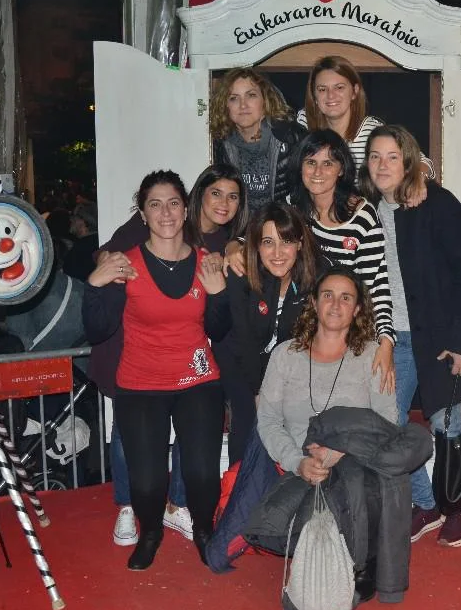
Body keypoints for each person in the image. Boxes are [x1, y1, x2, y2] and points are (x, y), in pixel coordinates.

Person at [250, 266, 430, 609]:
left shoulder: (372, 356)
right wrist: (298, 462)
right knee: (379, 473)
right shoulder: (285, 355)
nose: (336, 304)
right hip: (306, 468)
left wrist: (342, 449)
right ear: (313, 303)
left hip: (359, 461)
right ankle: (361, 561)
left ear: (357, 308)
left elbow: (385, 422)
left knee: (406, 444)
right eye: (328, 295)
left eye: (346, 298)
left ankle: (361, 560)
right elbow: (269, 421)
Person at [88, 165, 247, 548]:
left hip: (191, 372)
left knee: (198, 462)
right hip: (136, 364)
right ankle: (140, 518)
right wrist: (100, 277)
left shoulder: (214, 250)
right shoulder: (136, 246)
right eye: (155, 205)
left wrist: (222, 283)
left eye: (173, 203)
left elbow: (218, 323)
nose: (165, 213)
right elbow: (98, 318)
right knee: (140, 463)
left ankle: (190, 518)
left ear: (185, 208)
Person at [360, 125, 461, 547]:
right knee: (387, 427)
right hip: (391, 340)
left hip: (438, 338)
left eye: (392, 156)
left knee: (447, 423)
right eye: (375, 157)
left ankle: (458, 507)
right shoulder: (368, 212)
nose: (382, 165)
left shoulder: (438, 204)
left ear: (409, 160)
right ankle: (427, 503)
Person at [287, 129, 396, 391]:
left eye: (328, 163)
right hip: (302, 330)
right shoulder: (293, 207)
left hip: (351, 332)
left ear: (341, 169)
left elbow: (376, 286)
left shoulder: (361, 215)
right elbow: (263, 239)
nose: (318, 171)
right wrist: (236, 245)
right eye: (310, 162)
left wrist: (385, 341)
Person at [219, 202, 323, 461]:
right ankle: (241, 480)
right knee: (249, 426)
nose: (277, 253)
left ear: (299, 244)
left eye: (286, 241)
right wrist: (259, 392)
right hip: (242, 366)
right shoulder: (242, 274)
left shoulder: (315, 278)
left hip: (289, 371)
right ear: (256, 246)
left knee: (297, 426)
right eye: (268, 242)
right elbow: (243, 340)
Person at [296, 55, 435, 177]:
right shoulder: (302, 122)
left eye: (339, 87)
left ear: (354, 92)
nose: (330, 95)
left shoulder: (372, 130)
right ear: (314, 95)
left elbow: (422, 162)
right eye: (322, 89)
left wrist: (418, 181)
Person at [209, 67, 307, 215]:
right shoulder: (218, 143)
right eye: (234, 98)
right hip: (240, 224)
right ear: (225, 105)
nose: (243, 105)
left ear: (265, 100)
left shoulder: (290, 137)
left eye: (251, 95)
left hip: (284, 221)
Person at [62, 201, 99, 281]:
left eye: (75, 216)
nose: (71, 219)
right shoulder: (99, 242)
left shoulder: (80, 249)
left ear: (83, 221)